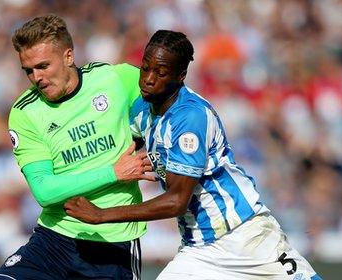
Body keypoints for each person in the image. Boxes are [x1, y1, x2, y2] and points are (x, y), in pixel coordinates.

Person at [65, 30, 321, 280]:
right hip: (199, 249)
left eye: (161, 72)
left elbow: (177, 201)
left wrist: (101, 215)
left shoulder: (190, 118)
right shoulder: (143, 108)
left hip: (246, 237)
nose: (148, 79)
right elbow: (115, 150)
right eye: (145, 68)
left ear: (181, 75)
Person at [0, 15, 156, 280]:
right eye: (29, 70)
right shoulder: (26, 112)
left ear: (68, 56)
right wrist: (113, 172)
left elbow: (174, 105)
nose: (37, 77)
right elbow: (44, 190)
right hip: (55, 238)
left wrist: (148, 139)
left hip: (112, 242)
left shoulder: (115, 79)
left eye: (43, 66)